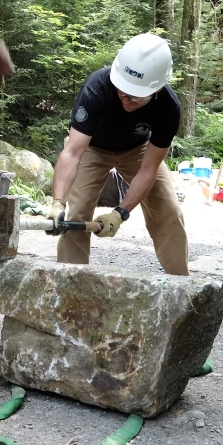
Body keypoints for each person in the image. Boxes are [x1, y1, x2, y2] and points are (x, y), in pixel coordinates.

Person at [49, 33, 189, 275]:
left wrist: (120, 213)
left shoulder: (168, 107)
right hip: (91, 147)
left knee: (169, 209)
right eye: (122, 90)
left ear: (156, 89)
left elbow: (149, 169)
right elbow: (72, 153)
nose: (126, 97)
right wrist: (56, 202)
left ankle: (183, 287)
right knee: (78, 211)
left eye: (135, 95)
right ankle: (70, 285)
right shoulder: (98, 87)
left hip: (138, 149)